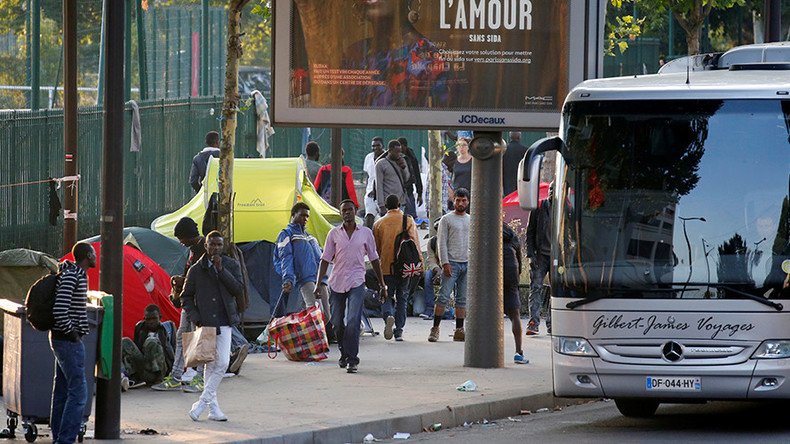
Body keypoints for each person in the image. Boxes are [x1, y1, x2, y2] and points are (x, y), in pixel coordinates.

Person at [315, 200, 386, 373]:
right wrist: (318, 284)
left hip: (357, 281)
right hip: (337, 281)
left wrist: (382, 284)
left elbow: (374, 259)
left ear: (356, 211)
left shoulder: (366, 233)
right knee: (337, 323)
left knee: (353, 321)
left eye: (350, 210)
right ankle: (343, 352)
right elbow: (325, 259)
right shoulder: (333, 234)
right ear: (340, 213)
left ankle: (352, 359)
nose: (347, 213)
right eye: (344, 210)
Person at [181, 230, 245, 422]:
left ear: (223, 246)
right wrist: (196, 317)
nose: (215, 248)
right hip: (205, 322)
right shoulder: (196, 269)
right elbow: (185, 296)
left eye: (219, 244)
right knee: (210, 364)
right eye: (212, 244)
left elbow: (238, 289)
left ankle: (201, 403)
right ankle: (214, 410)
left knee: (223, 363)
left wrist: (221, 271)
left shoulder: (230, 265)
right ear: (206, 246)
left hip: (225, 320)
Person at [50, 242, 96, 444]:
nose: (96, 257)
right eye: (93, 254)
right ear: (87, 255)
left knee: (62, 391)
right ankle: (65, 440)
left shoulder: (76, 274)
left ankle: (58, 437)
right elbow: (60, 309)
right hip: (68, 342)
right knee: (79, 394)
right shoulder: (73, 276)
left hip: (63, 340)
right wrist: (73, 333)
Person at [274, 202, 332, 330]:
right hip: (305, 279)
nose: (305, 219)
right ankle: (307, 342)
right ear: (293, 215)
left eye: (307, 216)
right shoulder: (286, 234)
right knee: (315, 313)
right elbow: (285, 257)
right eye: (302, 215)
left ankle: (299, 334)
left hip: (320, 280)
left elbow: (321, 258)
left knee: (326, 315)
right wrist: (288, 278)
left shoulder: (310, 237)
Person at [373, 194, 422, 341]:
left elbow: (376, 249)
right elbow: (416, 245)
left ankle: (388, 315)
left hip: (386, 267)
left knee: (385, 295)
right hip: (405, 267)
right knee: (403, 297)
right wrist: (420, 264)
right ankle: (399, 330)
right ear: (399, 205)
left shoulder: (379, 224)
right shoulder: (408, 220)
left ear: (386, 207)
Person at [428, 188, 470, 342]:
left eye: (463, 200)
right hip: (451, 263)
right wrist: (445, 263)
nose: (460, 203)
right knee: (443, 296)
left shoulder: (470, 219)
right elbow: (441, 243)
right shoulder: (446, 219)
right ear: (454, 201)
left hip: (466, 263)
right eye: (458, 200)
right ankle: (435, 328)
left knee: (462, 299)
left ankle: (459, 329)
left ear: (468, 201)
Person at [121, 304, 176, 387]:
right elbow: (136, 348)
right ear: (144, 319)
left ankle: (158, 380)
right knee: (125, 341)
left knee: (151, 341)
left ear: (160, 317)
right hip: (144, 366)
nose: (151, 322)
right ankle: (125, 375)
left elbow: (172, 350)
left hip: (160, 369)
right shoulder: (140, 327)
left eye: (154, 319)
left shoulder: (167, 328)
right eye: (148, 319)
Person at [526, 182, 554, 336]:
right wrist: (530, 255)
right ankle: (533, 322)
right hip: (540, 255)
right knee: (535, 288)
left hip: (557, 257)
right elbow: (530, 233)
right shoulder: (538, 209)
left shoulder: (566, 210)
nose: (552, 192)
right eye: (550, 189)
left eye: (555, 190)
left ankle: (552, 324)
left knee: (555, 291)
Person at [503, 223, 529, 364]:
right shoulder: (510, 233)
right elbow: (519, 258)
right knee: (515, 315)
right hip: (511, 273)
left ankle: (487, 350)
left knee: (489, 315)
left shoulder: (486, 231)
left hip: (492, 276)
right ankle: (518, 352)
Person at [375, 139, 411, 216]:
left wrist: (403, 168)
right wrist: (381, 205)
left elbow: (407, 179)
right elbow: (379, 185)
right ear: (390, 151)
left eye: (400, 152)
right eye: (396, 152)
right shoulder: (381, 164)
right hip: (388, 203)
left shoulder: (402, 161)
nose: (399, 154)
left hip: (400, 202)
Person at [419, 220, 442, 319]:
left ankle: (446, 308)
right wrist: (437, 269)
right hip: (437, 268)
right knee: (428, 277)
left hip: (451, 267)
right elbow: (431, 259)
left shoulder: (452, 241)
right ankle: (430, 308)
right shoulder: (432, 242)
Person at [397, 137, 423, 219]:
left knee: (411, 216)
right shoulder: (394, 157)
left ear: (404, 146)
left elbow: (417, 175)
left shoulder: (411, 158)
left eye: (400, 146)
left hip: (408, 190)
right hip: (397, 190)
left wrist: (419, 193)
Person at [363, 136, 385, 228]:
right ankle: (367, 237)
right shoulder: (368, 157)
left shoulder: (386, 157)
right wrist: (368, 188)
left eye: (378, 145)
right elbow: (368, 175)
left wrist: (375, 190)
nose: (375, 148)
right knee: (369, 215)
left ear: (382, 146)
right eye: (373, 146)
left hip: (384, 192)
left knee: (384, 217)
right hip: (370, 193)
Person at [502, 131, 527, 197]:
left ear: (510, 137)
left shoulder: (504, 150)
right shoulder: (525, 150)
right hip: (520, 178)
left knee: (508, 197)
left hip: (507, 178)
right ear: (519, 137)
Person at [450, 138, 472, 208]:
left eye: (464, 145)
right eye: (459, 145)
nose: (461, 147)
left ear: (468, 147)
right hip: (457, 193)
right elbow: (448, 177)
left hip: (470, 193)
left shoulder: (473, 161)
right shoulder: (453, 161)